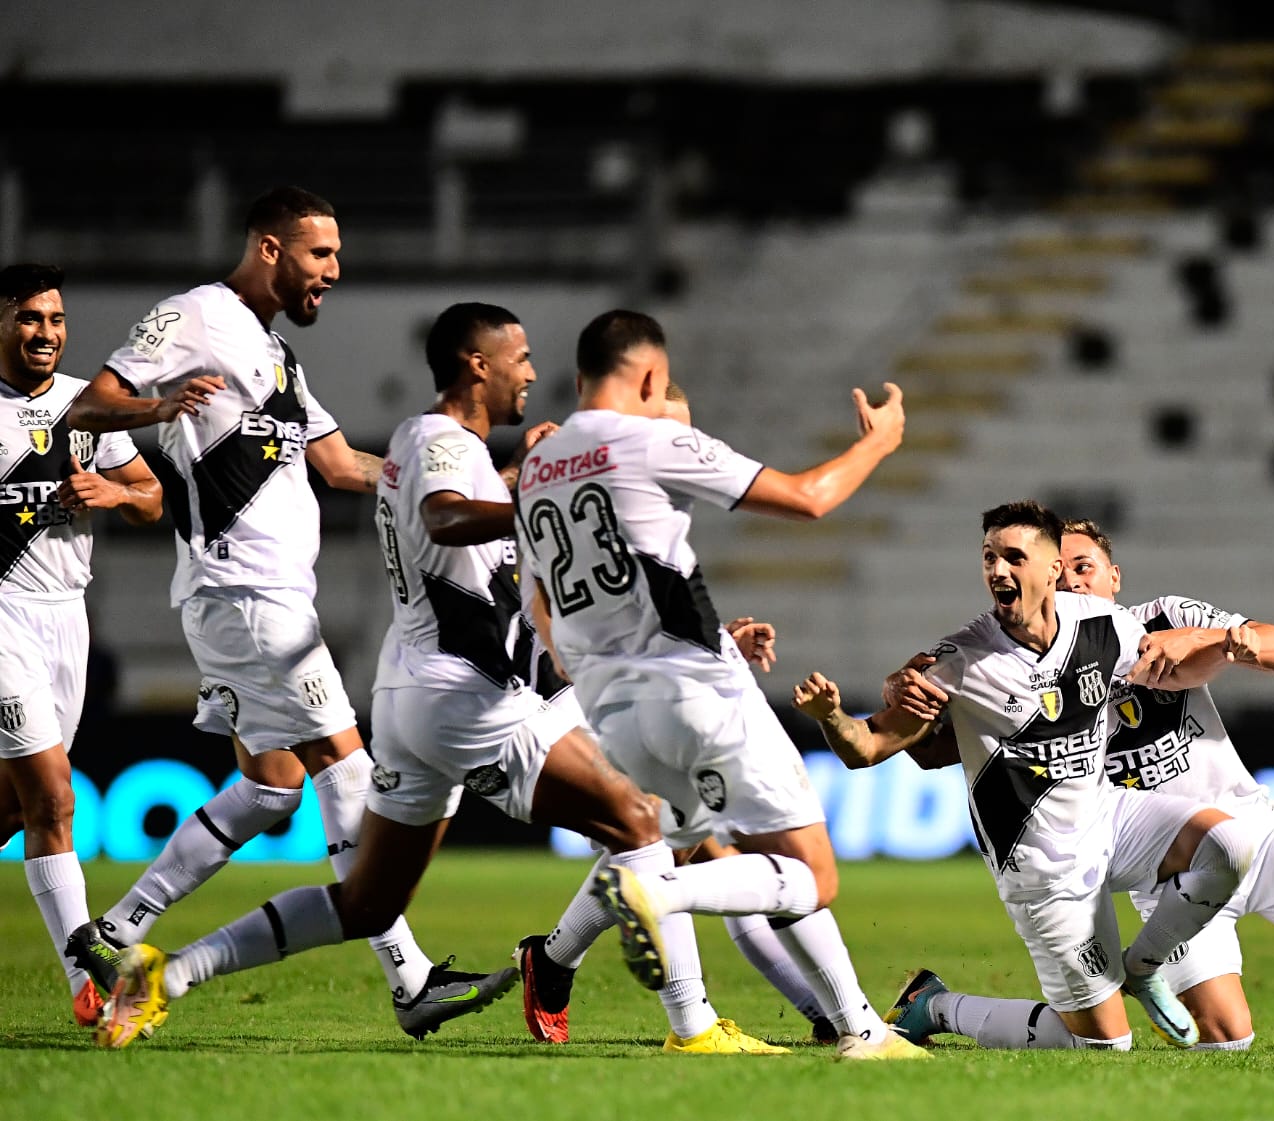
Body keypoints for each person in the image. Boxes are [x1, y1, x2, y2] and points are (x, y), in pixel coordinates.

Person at [95, 303, 789, 1055]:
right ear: (477, 366)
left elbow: (481, 543)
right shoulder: (441, 441)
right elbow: (448, 517)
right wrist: (533, 491)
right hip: (468, 695)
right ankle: (692, 1025)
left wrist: (526, 485)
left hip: (418, 696)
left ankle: (168, 972)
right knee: (640, 822)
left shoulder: (437, 446)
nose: (532, 372)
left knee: (366, 903)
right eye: (520, 358)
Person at [63, 187, 503, 1039]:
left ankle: (112, 932)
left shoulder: (278, 357)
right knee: (345, 762)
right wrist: (158, 408)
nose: (334, 271)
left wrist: (480, 484)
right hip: (246, 592)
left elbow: (344, 466)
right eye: (320, 254)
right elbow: (90, 404)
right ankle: (410, 979)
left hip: (259, 598)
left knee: (273, 784)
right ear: (270, 248)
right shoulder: (197, 316)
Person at [511, 309, 923, 1060]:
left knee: (675, 846)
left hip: (613, 713)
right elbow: (810, 497)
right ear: (649, 377)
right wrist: (879, 441)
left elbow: (547, 617)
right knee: (809, 875)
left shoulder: (537, 470)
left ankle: (854, 1029)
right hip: (696, 695)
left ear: (577, 377)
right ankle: (659, 903)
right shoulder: (649, 437)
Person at [875, 518, 1274, 1048]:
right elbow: (941, 749)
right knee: (1228, 1040)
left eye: (1085, 567)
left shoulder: (1160, 620)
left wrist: (1222, 640)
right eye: (1063, 571)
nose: (1074, 582)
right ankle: (1127, 973)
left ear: (1114, 576)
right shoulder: (1034, 666)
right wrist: (907, 698)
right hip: (1172, 876)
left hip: (1255, 832)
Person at [514, 379, 834, 1047]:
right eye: (665, 430)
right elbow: (557, 601)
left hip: (632, 690)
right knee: (678, 851)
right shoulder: (583, 475)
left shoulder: (629, 492)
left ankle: (557, 959)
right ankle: (706, 1024)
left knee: (688, 851)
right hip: (573, 697)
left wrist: (722, 647)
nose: (678, 447)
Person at [0, 263, 164, 1029]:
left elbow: (152, 498)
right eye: (30, 317)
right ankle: (89, 980)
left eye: (56, 319)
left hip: (68, 617)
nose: (47, 332)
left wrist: (115, 491)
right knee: (55, 796)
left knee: (19, 804)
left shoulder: (83, 408)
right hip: (3, 613)